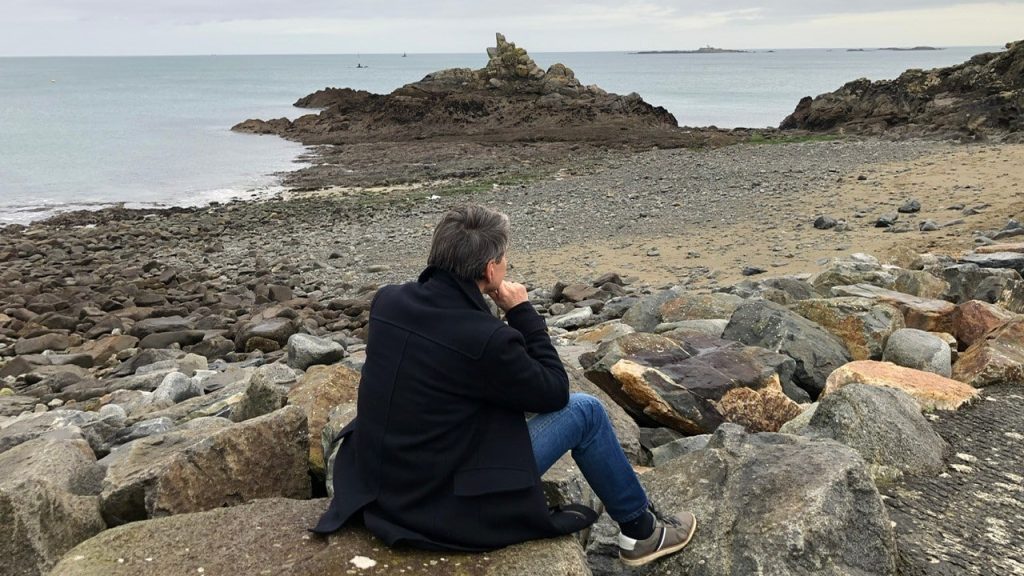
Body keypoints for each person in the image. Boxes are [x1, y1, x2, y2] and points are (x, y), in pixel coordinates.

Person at [312, 204, 696, 566]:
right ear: (492, 269)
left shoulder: (388, 302)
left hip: (381, 477)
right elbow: (553, 391)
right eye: (504, 258)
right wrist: (521, 313)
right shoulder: (488, 339)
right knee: (586, 411)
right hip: (442, 497)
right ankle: (640, 533)